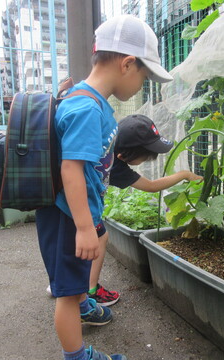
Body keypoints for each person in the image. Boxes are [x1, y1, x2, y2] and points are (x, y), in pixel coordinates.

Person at [35, 14, 173, 360]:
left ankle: (84, 304)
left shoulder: (89, 101)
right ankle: (78, 355)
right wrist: (84, 228)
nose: (143, 85)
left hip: (74, 214)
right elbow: (72, 171)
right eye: (145, 75)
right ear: (128, 64)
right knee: (66, 291)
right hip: (70, 216)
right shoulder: (86, 108)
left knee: (76, 283)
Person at [86, 114, 202, 306]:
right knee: (100, 238)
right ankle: (90, 291)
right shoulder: (117, 166)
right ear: (124, 156)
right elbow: (152, 186)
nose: (148, 160)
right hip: (83, 207)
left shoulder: (103, 145)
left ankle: (63, 285)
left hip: (65, 203)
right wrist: (184, 175)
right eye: (146, 156)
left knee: (71, 244)